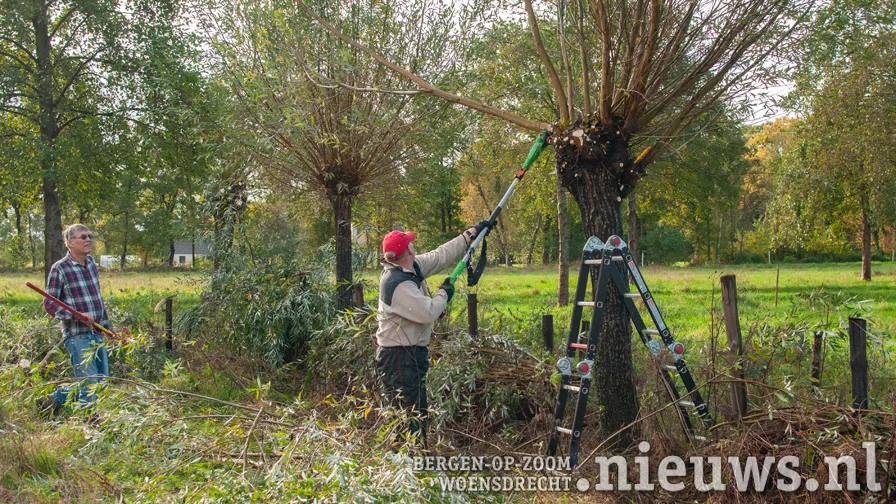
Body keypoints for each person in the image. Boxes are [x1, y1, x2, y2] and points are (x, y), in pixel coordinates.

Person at [375, 221, 488, 449]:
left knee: (416, 410)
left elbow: (441, 255)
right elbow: (429, 312)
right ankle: (409, 464)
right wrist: (444, 293)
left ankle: (413, 460)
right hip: (399, 357)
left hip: (409, 353)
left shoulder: (410, 266)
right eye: (411, 244)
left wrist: (470, 235)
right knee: (409, 414)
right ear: (408, 252)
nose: (413, 247)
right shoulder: (397, 283)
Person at [36, 224, 113, 421]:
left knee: (101, 380)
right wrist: (76, 315)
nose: (88, 240)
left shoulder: (92, 264)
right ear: (70, 242)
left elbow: (97, 299)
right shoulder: (60, 268)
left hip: (96, 332)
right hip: (77, 335)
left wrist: (108, 327)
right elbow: (49, 304)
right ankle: (89, 421)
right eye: (82, 237)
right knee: (90, 381)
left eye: (89, 236)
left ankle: (51, 401)